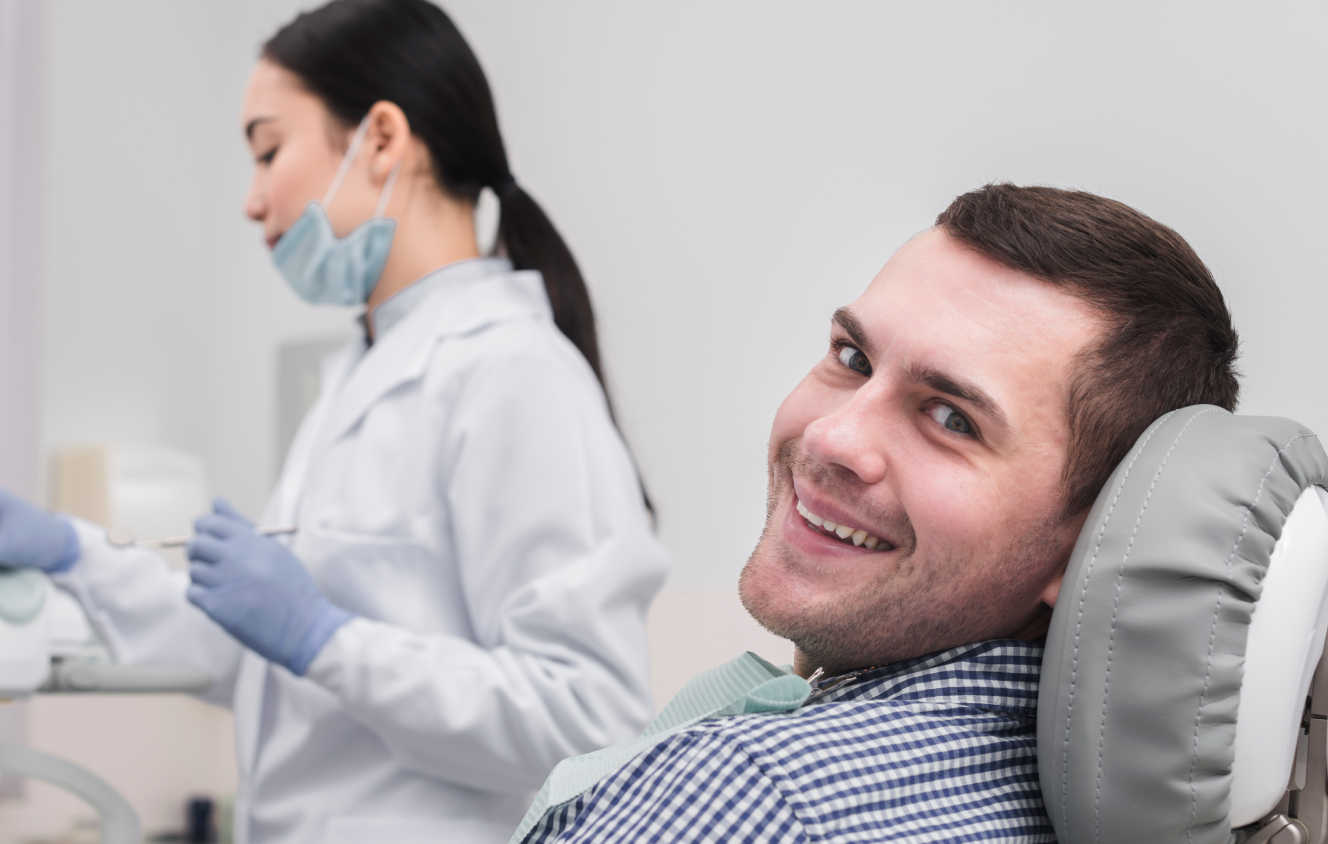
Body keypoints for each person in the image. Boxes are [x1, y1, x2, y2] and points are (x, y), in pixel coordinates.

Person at [0, 1, 668, 841]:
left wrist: (324, 637)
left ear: (379, 139)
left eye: (268, 151)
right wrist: (73, 553)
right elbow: (263, 662)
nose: (253, 201)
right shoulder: (358, 375)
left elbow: (592, 724)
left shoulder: (512, 370)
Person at [510, 183, 1240, 844]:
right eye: (853, 358)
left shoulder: (757, 800)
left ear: (1093, 542)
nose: (832, 437)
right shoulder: (1069, 803)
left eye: (952, 419)